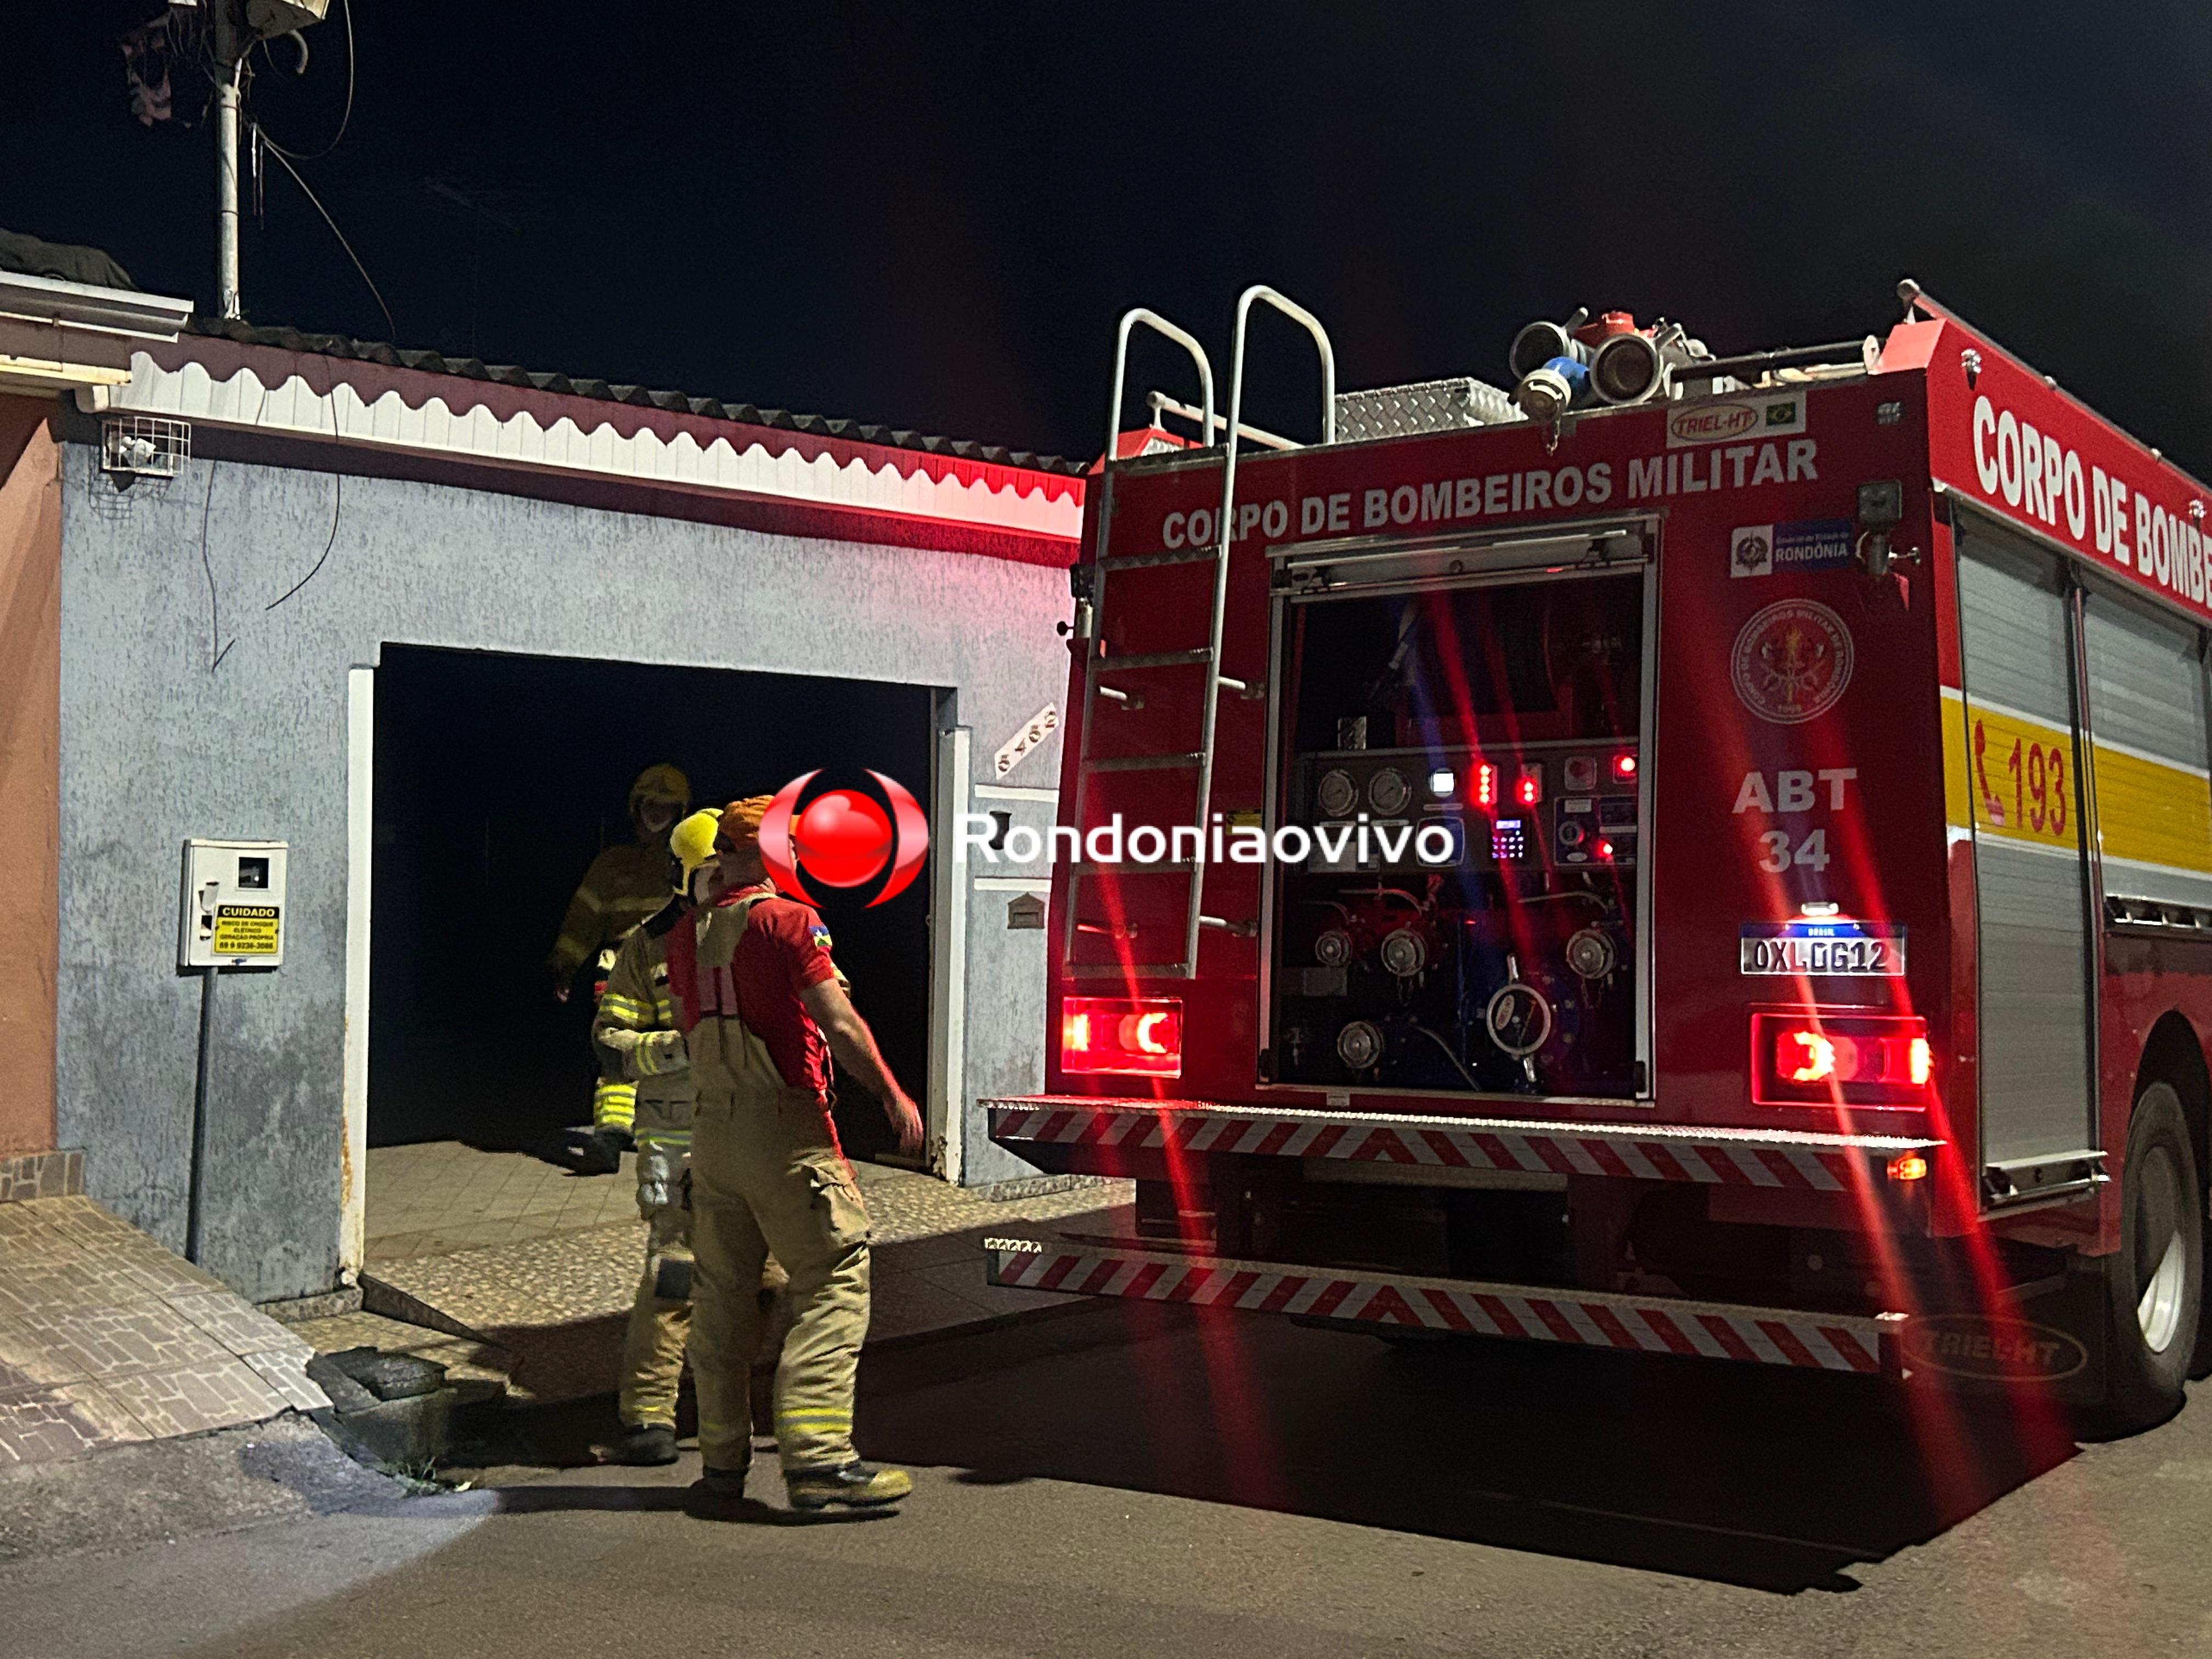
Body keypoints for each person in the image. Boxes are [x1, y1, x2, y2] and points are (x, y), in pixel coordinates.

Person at [673, 795, 924, 1512]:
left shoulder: (685, 936)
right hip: (783, 1131)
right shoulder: (788, 922)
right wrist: (891, 1095)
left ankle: (721, 1466)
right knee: (835, 1275)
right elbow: (837, 1024)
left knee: (722, 1300)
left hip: (712, 1134)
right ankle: (818, 1460)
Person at [549, 763, 691, 1173]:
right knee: (616, 1050)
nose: (658, 813)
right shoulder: (613, 864)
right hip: (618, 969)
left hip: (673, 970)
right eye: (652, 805)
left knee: (682, 1048)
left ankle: (682, 1136)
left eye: (667, 806)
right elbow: (584, 919)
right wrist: (565, 965)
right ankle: (610, 1137)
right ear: (636, 808)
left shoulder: (688, 862)